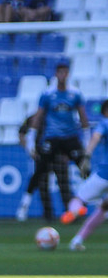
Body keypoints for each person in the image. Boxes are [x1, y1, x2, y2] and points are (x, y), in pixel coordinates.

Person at [26, 62, 90, 224]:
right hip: (52, 138)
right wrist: (31, 140)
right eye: (59, 72)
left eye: (65, 72)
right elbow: (38, 117)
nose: (62, 75)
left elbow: (83, 118)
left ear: (68, 74)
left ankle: (90, 204)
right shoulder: (47, 94)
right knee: (40, 170)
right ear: (56, 74)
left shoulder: (75, 94)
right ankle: (25, 205)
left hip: (70, 138)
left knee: (85, 169)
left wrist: (87, 142)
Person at [68, 100, 108, 250]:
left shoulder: (104, 123)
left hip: (104, 174)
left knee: (79, 198)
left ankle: (75, 212)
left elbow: (95, 138)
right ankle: (77, 239)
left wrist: (87, 156)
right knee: (105, 207)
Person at [16, 111, 70, 222]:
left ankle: (69, 213)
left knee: (64, 185)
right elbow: (21, 133)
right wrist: (29, 149)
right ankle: (48, 214)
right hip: (42, 157)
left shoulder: (57, 117)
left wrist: (66, 153)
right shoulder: (32, 118)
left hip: (58, 156)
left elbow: (67, 135)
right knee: (42, 185)